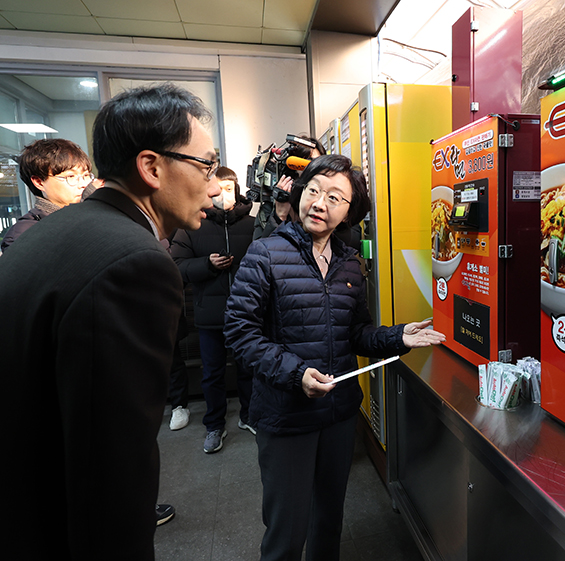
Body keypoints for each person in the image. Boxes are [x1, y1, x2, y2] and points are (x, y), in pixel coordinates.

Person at [0, 84, 221, 559]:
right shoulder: (133, 263)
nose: (217, 184)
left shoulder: (64, 228)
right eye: (205, 165)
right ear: (151, 167)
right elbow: (111, 465)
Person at [224, 154, 446, 561]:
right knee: (286, 531)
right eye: (313, 190)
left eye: (335, 197)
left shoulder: (349, 263)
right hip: (287, 417)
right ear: (299, 194)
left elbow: (356, 333)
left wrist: (399, 335)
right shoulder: (265, 254)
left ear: (349, 212)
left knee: (328, 522)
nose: (320, 203)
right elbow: (239, 333)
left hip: (339, 416)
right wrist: (296, 374)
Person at [171, 166, 256, 453]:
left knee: (249, 369)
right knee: (212, 374)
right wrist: (206, 265)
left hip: (247, 314)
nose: (223, 195)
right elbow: (177, 266)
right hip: (210, 316)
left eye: (229, 189)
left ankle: (248, 416)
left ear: (237, 191)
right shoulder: (192, 225)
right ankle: (214, 425)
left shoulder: (254, 224)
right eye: (217, 189)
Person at [1, 138, 93, 252]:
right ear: (39, 182)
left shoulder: (90, 217)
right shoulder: (23, 235)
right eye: (70, 177)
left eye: (86, 175)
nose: (83, 184)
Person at [252, 134, 323, 241]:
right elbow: (259, 253)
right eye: (306, 162)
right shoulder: (270, 208)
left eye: (319, 163)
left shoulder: (325, 203)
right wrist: (279, 216)